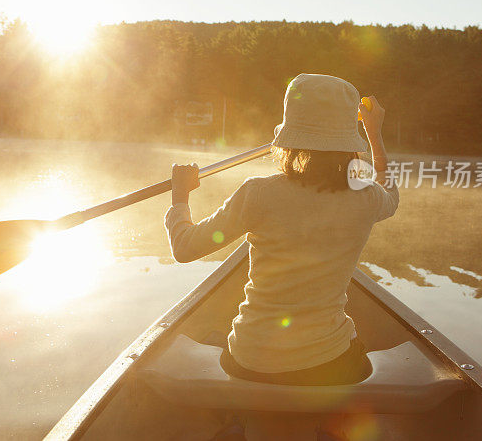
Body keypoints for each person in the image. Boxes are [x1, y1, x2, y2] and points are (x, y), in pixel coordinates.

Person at [165, 74, 399, 386]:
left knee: (218, 336)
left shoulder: (258, 194)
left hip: (250, 360)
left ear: (290, 134)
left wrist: (180, 195)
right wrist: (375, 136)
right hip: (329, 364)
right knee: (353, 351)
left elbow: (184, 248)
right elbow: (391, 196)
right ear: (347, 140)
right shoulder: (367, 197)